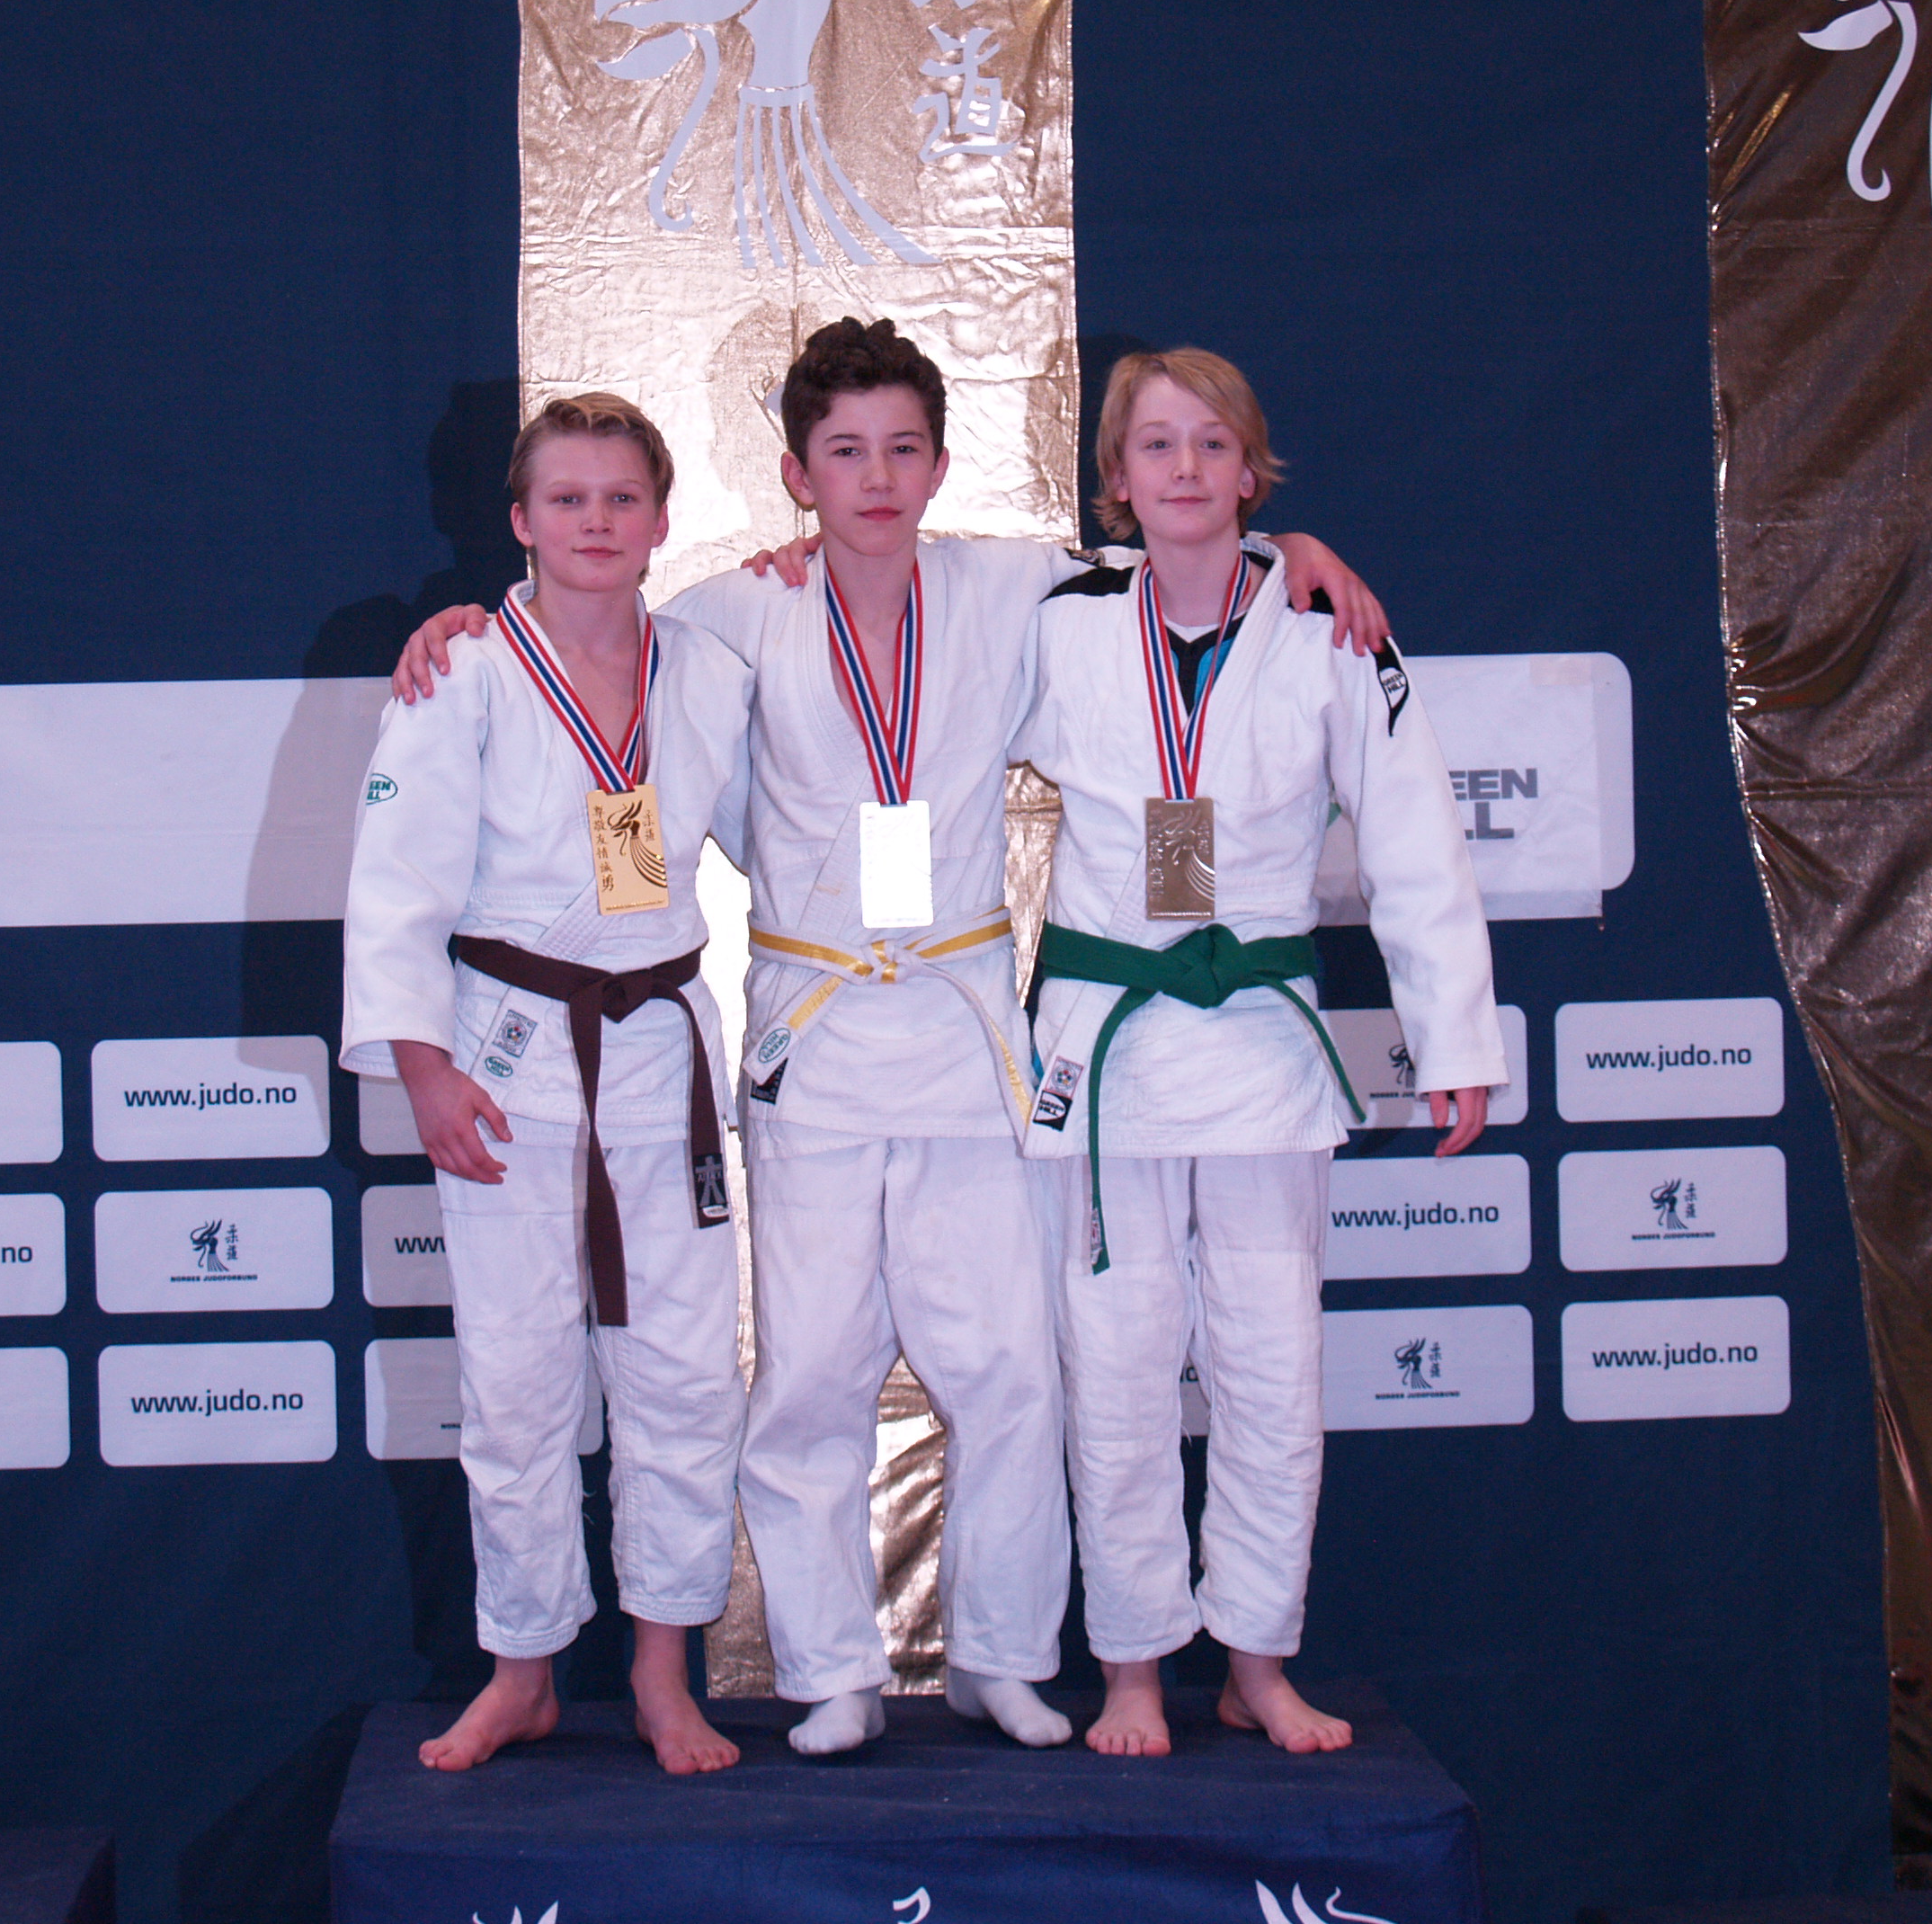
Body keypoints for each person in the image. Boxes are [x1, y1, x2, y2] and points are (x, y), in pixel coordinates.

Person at [390, 319, 1392, 1756]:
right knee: (810, 1373)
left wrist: (1292, 549)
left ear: (937, 463)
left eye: (902, 450)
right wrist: (464, 626)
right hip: (813, 1035)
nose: (875, 478)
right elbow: (581, 637)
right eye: (845, 453)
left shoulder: (1015, 587)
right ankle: (830, 1667)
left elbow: (1178, 564)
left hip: (968, 1028)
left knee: (1009, 1369)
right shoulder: (729, 617)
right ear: (796, 476)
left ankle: (1000, 1654)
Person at [1012, 348, 1506, 1757]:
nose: (1184, 468)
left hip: (1261, 1056)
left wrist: (1453, 1036)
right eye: (1155, 445)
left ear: (1251, 470)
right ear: (1117, 480)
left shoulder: (1325, 630)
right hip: (1109, 1051)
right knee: (1115, 1371)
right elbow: (904, 597)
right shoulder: (1056, 622)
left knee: (1272, 1369)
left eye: (1211, 444)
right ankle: (1129, 1666)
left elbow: (1414, 835)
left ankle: (1257, 1657)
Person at [341, 393, 754, 1776]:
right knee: (517, 1382)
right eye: (567, 499)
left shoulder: (709, 671)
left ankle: (661, 1672)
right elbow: (395, 889)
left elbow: (790, 825)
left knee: (682, 1377)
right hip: (509, 1049)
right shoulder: (460, 672)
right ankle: (520, 1667)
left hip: (659, 1051)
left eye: (622, 498)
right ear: (519, 520)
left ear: (662, 519)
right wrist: (423, 1071)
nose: (596, 521)